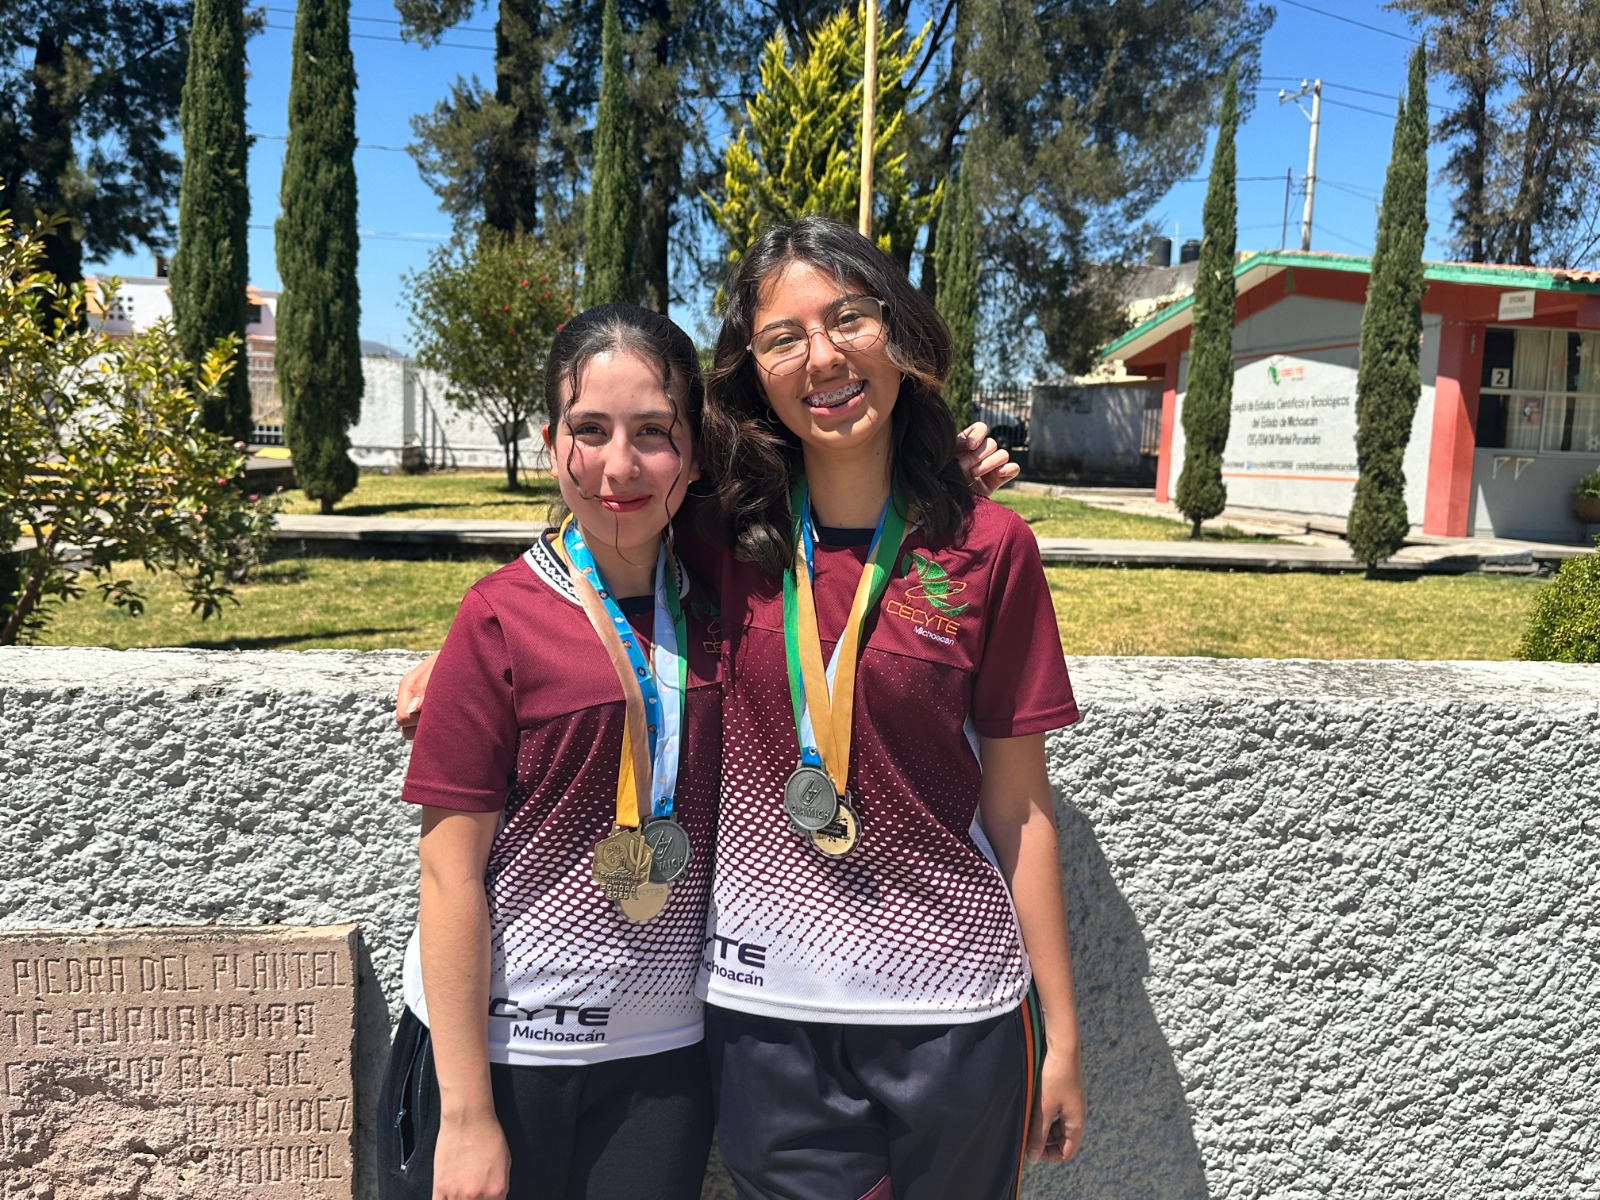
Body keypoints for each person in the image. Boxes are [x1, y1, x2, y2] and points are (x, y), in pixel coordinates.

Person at [692, 217, 1086, 1200]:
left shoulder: (989, 548)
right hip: (766, 1024)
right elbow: (589, 553)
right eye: (784, 337)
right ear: (756, 374)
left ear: (898, 336)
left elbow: (1019, 809)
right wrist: (468, 664)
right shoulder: (712, 543)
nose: (822, 357)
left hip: (956, 1021)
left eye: (849, 319)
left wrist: (1063, 1034)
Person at [377, 304, 722, 1200]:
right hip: (500, 1053)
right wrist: (465, 1113)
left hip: (663, 1061)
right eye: (590, 430)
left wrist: (939, 491)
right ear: (548, 440)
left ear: (692, 446)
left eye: (653, 432)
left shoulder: (729, 610)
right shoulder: (497, 617)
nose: (619, 466)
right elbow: (450, 876)